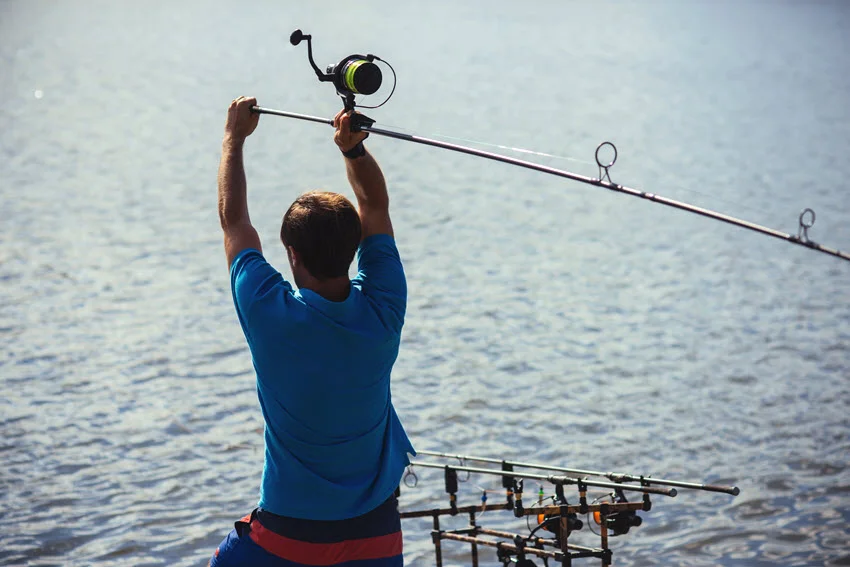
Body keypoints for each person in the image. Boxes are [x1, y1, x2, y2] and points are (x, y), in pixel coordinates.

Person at [210, 96, 414, 567]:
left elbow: (234, 220)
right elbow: (375, 204)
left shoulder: (268, 313)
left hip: (289, 535)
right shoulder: (384, 307)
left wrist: (232, 138)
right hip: (377, 534)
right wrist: (353, 151)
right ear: (353, 247)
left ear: (292, 255)